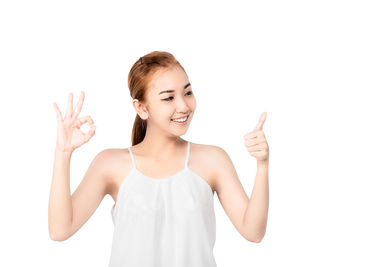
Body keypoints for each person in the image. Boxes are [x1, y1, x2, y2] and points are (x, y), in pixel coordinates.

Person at [48, 51, 270, 267]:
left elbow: (253, 232)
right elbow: (60, 230)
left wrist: (262, 164)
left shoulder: (213, 160)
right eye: (169, 97)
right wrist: (63, 152)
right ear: (142, 108)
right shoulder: (111, 164)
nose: (183, 106)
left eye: (188, 92)